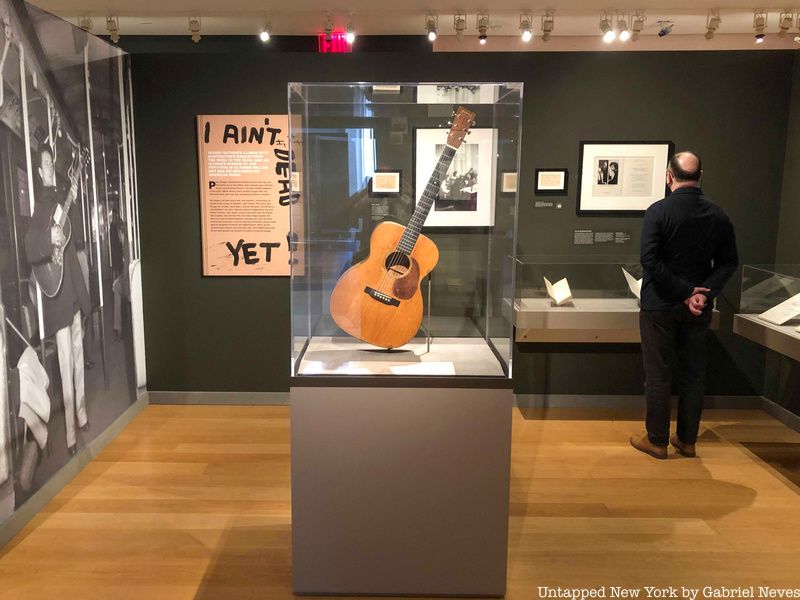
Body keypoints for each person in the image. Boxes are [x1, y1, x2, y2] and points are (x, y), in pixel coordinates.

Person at [630, 151, 738, 460]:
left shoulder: (658, 211)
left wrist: (683, 291)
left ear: (669, 176)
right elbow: (728, 262)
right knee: (692, 375)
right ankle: (688, 440)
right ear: (701, 176)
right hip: (697, 308)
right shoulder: (718, 214)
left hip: (660, 305)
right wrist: (702, 294)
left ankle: (657, 440)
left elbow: (649, 259)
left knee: (658, 374)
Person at [25, 146, 92, 456]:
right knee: (64, 362)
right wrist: (46, 239)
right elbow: (30, 248)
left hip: (73, 290)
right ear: (39, 172)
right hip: (57, 295)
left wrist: (74, 198)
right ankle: (69, 436)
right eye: (45, 164)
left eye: (52, 162)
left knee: (78, 355)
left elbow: (71, 233)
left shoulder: (61, 197)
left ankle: (81, 414)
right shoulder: (38, 207)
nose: (50, 168)